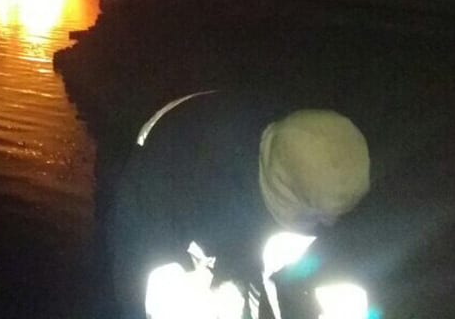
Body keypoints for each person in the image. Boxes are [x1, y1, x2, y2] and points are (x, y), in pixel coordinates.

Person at [105, 90, 370, 319]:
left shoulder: (318, 152)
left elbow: (334, 266)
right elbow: (145, 282)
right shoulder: (176, 183)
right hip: (157, 172)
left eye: (327, 218)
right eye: (311, 219)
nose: (326, 225)